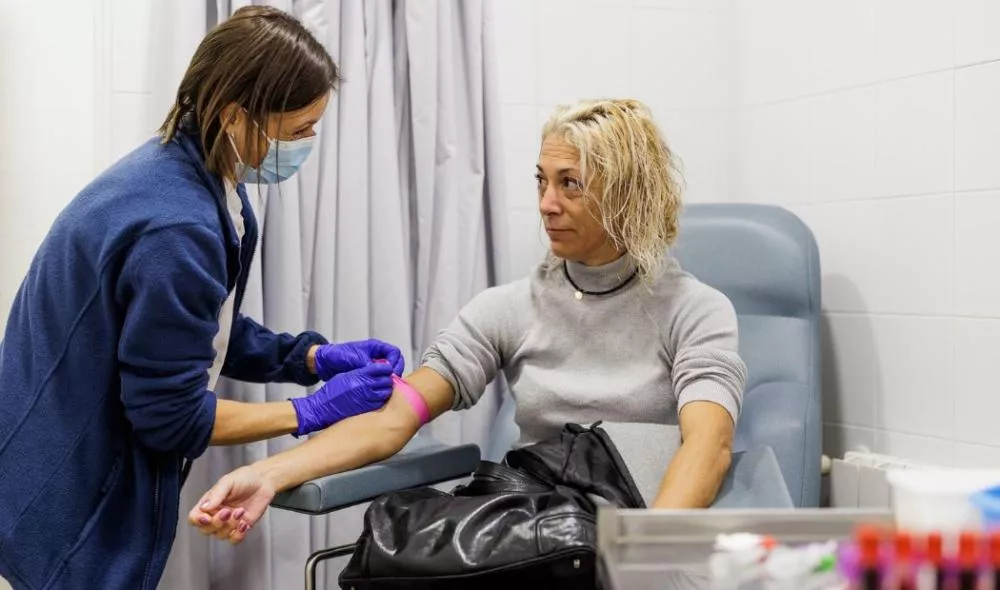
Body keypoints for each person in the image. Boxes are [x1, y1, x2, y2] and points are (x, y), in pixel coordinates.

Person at [190, 98, 748, 544]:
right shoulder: (508, 308)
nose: (546, 204)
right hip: (540, 535)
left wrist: (647, 558)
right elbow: (394, 419)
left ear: (630, 193)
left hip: (632, 532)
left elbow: (708, 446)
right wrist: (268, 476)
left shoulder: (694, 311)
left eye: (569, 183)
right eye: (541, 181)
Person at [0, 7, 405, 589]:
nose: (308, 144)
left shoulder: (187, 177)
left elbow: (198, 328)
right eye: (297, 131)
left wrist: (308, 358)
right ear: (235, 114)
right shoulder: (177, 225)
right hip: (73, 503)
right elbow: (169, 416)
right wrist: (311, 411)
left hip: (45, 472)